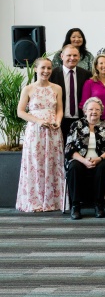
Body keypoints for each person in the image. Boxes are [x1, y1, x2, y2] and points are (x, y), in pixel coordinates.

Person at [16, 57, 64, 212]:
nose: (46, 71)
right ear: (36, 69)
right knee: (36, 164)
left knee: (53, 163)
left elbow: (60, 109)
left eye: (49, 68)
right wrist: (38, 121)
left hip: (53, 131)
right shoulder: (28, 89)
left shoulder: (57, 88)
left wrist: (58, 121)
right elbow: (20, 112)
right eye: (43, 68)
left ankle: (54, 201)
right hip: (35, 131)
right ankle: (35, 200)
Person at [64, 97, 105, 220]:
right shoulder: (76, 125)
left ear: (101, 111)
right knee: (74, 166)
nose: (94, 112)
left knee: (104, 167)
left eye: (97, 109)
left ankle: (99, 204)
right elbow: (69, 149)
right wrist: (83, 161)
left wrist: (99, 159)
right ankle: (75, 206)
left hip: (101, 160)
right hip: (80, 160)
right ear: (85, 111)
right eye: (91, 109)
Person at [49, 44, 92, 139]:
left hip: (80, 120)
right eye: (69, 55)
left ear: (79, 57)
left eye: (75, 55)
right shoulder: (52, 75)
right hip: (59, 120)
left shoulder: (87, 75)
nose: (72, 58)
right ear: (62, 56)